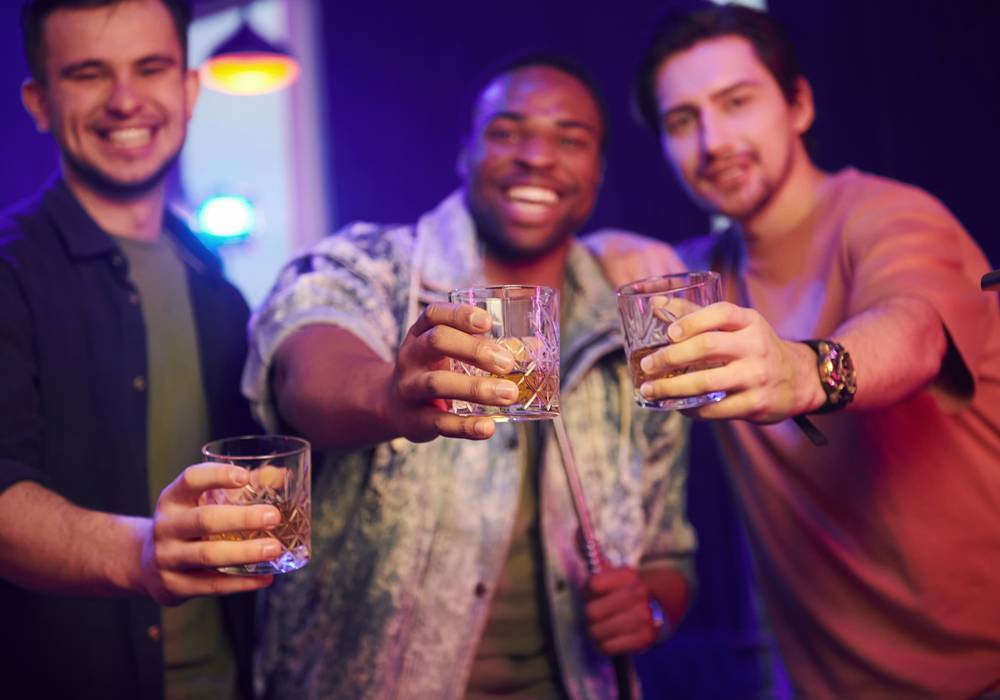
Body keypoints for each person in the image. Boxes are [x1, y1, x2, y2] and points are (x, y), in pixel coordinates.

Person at [244, 55, 695, 699]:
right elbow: (306, 370)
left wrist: (649, 609)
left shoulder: (632, 325)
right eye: (507, 132)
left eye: (570, 140)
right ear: (465, 153)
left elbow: (669, 556)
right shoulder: (370, 267)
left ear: (597, 173)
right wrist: (388, 396)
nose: (536, 157)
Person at [593, 2, 1000, 698]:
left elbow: (916, 329)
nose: (713, 141)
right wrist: (602, 246)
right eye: (683, 120)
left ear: (799, 105)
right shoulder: (699, 275)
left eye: (737, 102)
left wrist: (805, 370)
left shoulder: (888, 215)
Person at [0, 1, 281, 698]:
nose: (125, 100)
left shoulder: (217, 287)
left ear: (188, 90)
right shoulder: (9, 272)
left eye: (150, 68)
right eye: (89, 74)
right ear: (39, 102)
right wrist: (144, 551)